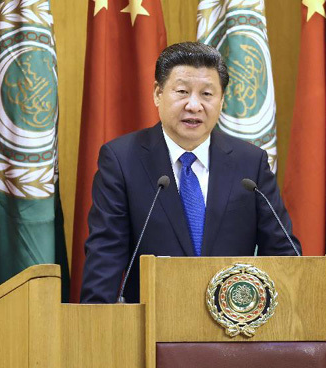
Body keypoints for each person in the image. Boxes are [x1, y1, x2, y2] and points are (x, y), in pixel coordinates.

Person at [80, 42, 301, 303]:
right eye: (182, 92)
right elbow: (105, 255)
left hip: (235, 321)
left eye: (207, 94)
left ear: (222, 100)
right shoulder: (122, 159)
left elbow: (284, 254)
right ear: (158, 93)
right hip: (151, 320)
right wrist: (96, 322)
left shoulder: (250, 163)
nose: (194, 105)